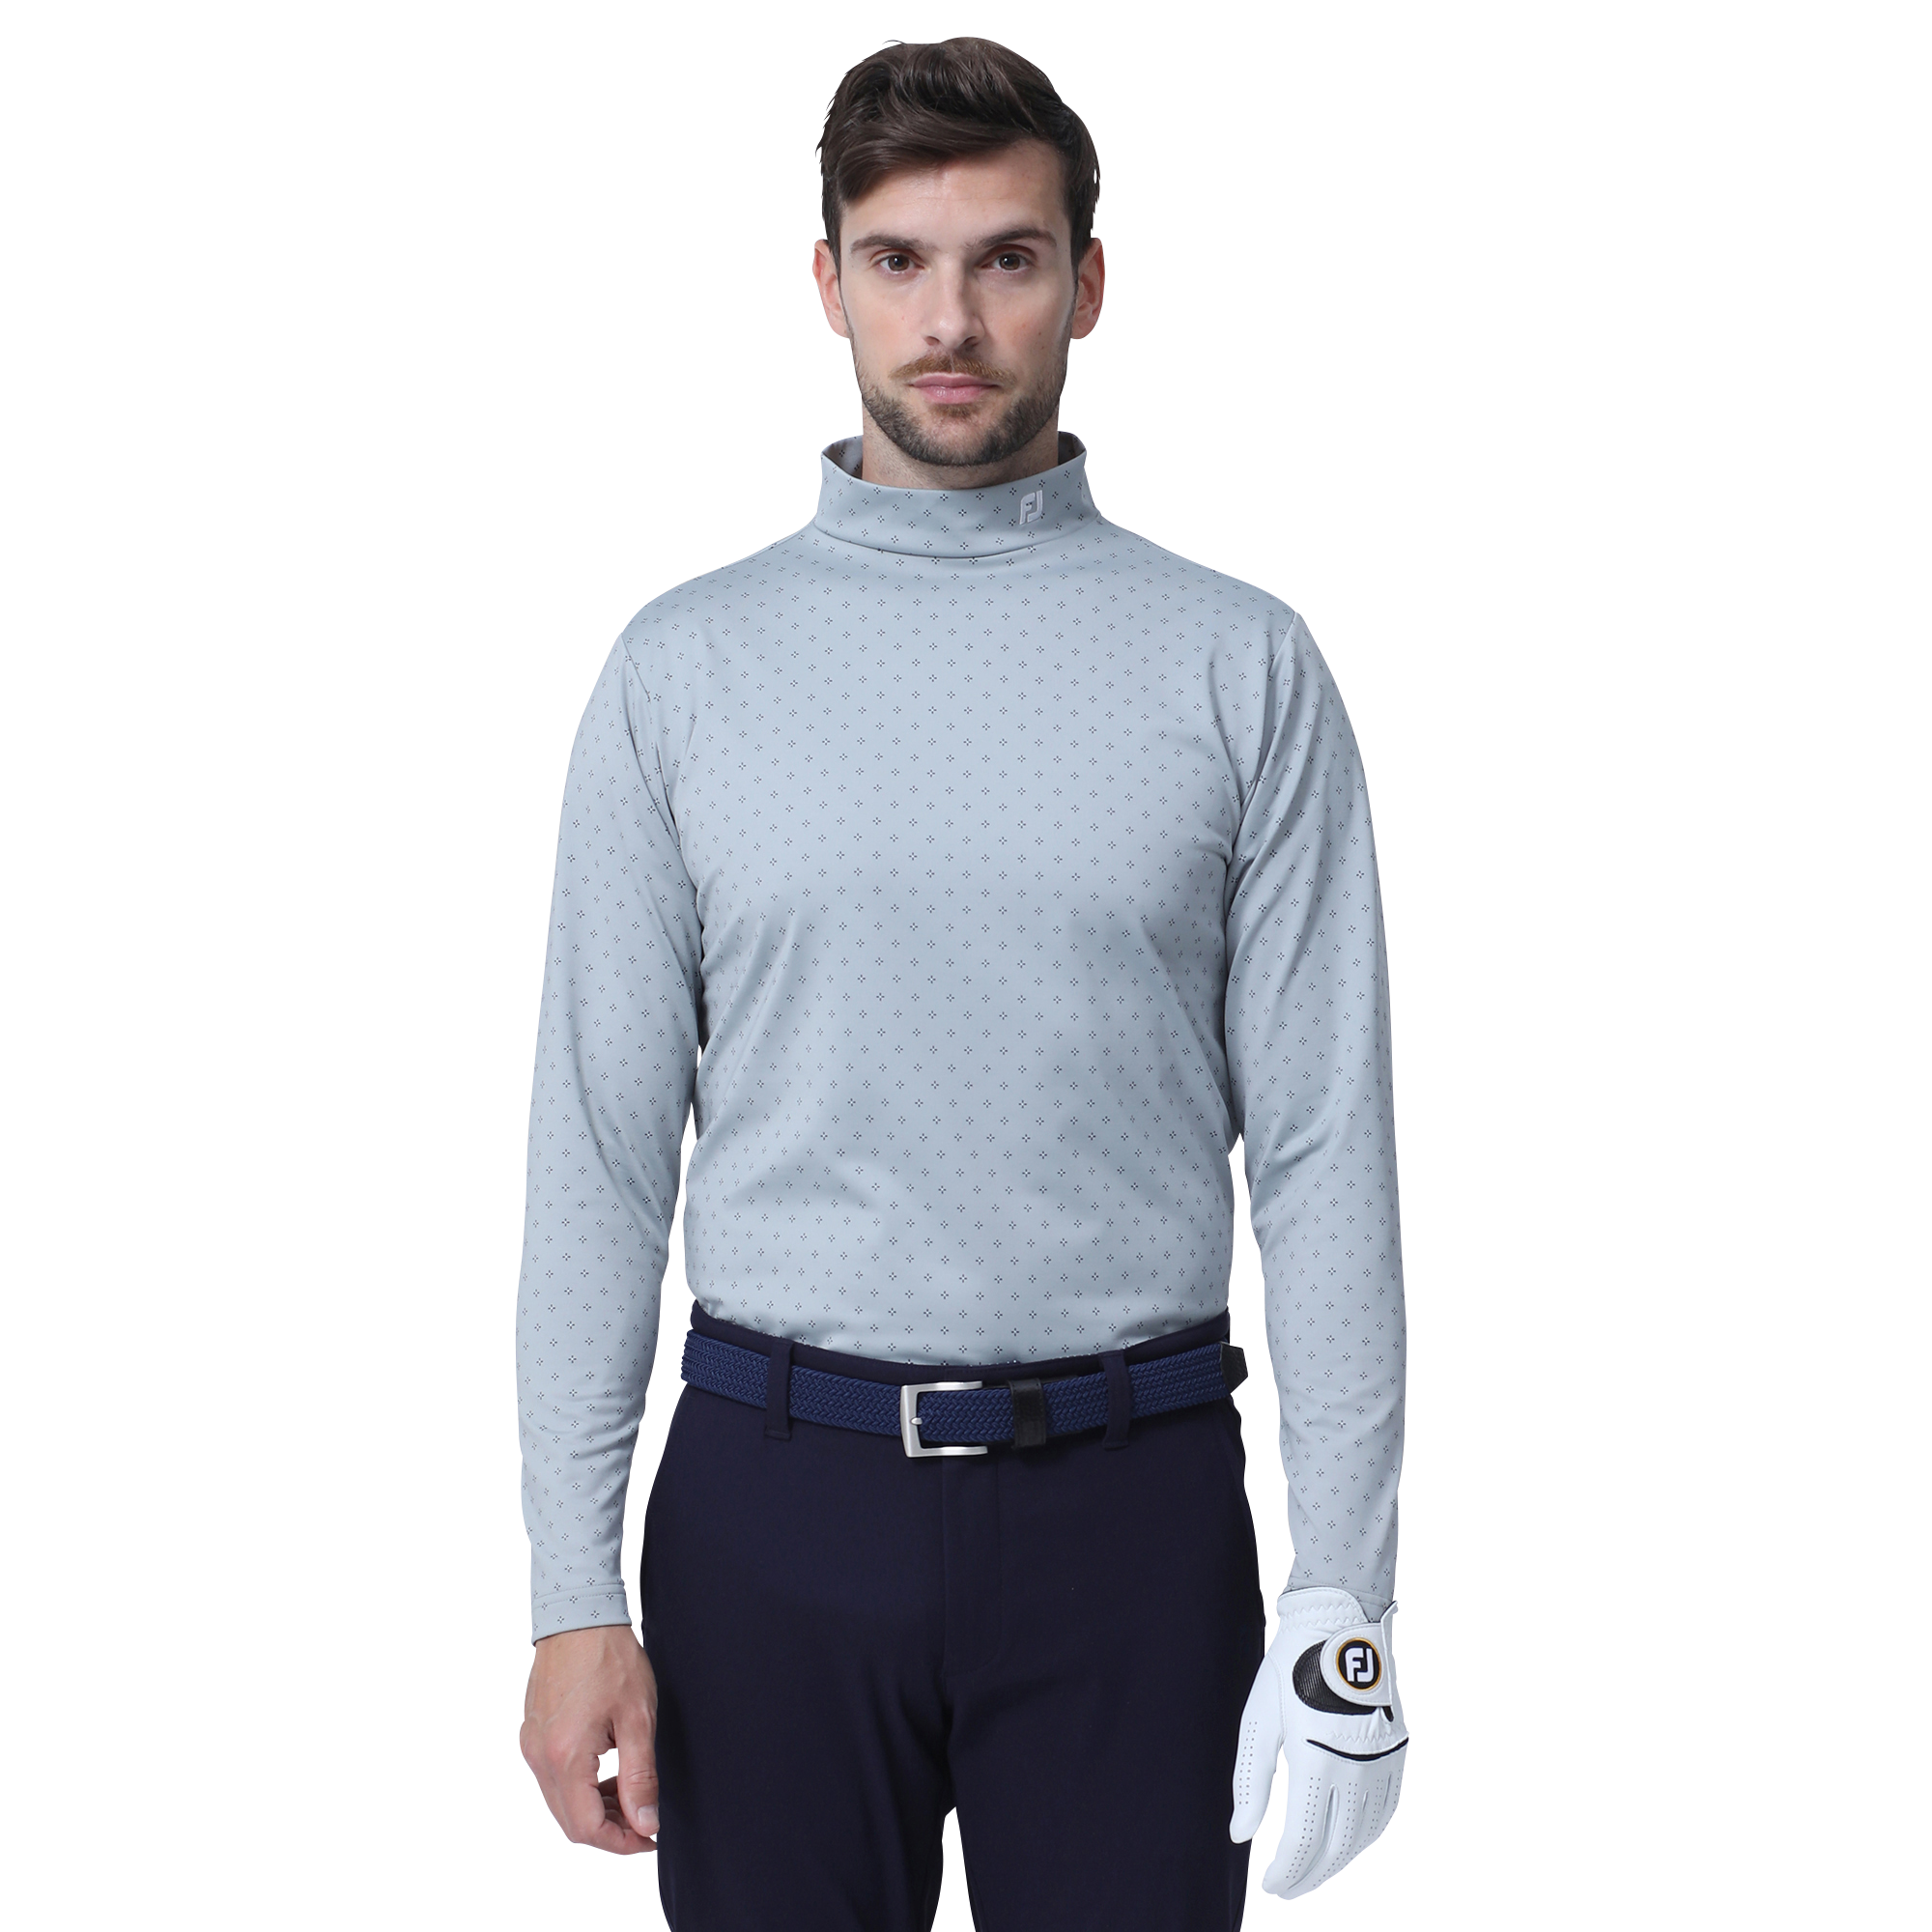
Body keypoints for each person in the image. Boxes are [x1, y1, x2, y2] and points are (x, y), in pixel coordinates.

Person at [517, 36, 1407, 1928]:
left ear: (1087, 283)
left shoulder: (1239, 667)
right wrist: (570, 1591)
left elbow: (1326, 1148)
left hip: (1134, 1520)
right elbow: (600, 1152)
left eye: (1006, 258)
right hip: (771, 1513)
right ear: (825, 280)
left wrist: (1344, 1592)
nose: (949, 319)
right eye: (898, 259)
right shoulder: (682, 674)